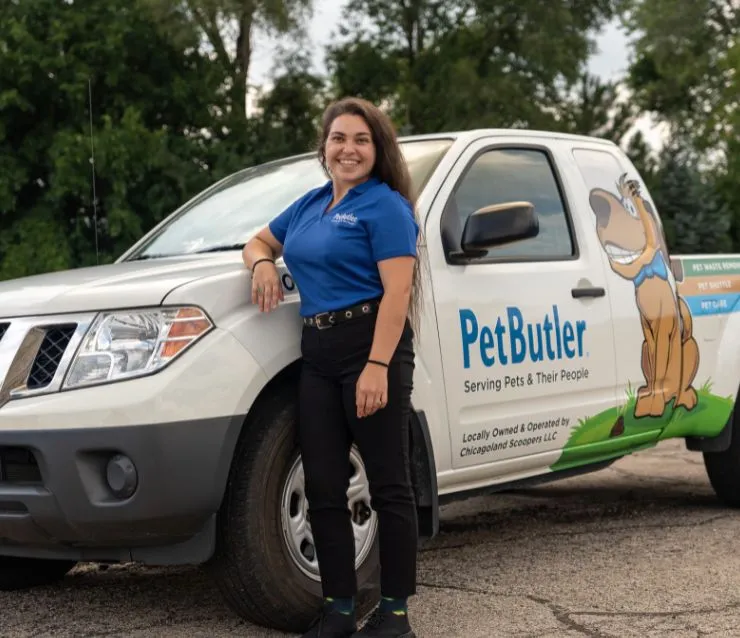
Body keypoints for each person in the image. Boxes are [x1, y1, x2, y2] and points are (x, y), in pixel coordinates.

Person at [241, 96, 421, 638]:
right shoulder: (309, 205)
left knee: (389, 485)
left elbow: (398, 292)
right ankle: (339, 609)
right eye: (339, 138)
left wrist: (376, 366)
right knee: (323, 486)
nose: (349, 149)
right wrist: (264, 263)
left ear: (377, 149)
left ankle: (394, 616)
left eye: (361, 140)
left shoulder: (385, 206)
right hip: (316, 354)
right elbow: (256, 240)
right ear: (324, 148)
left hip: (373, 345)